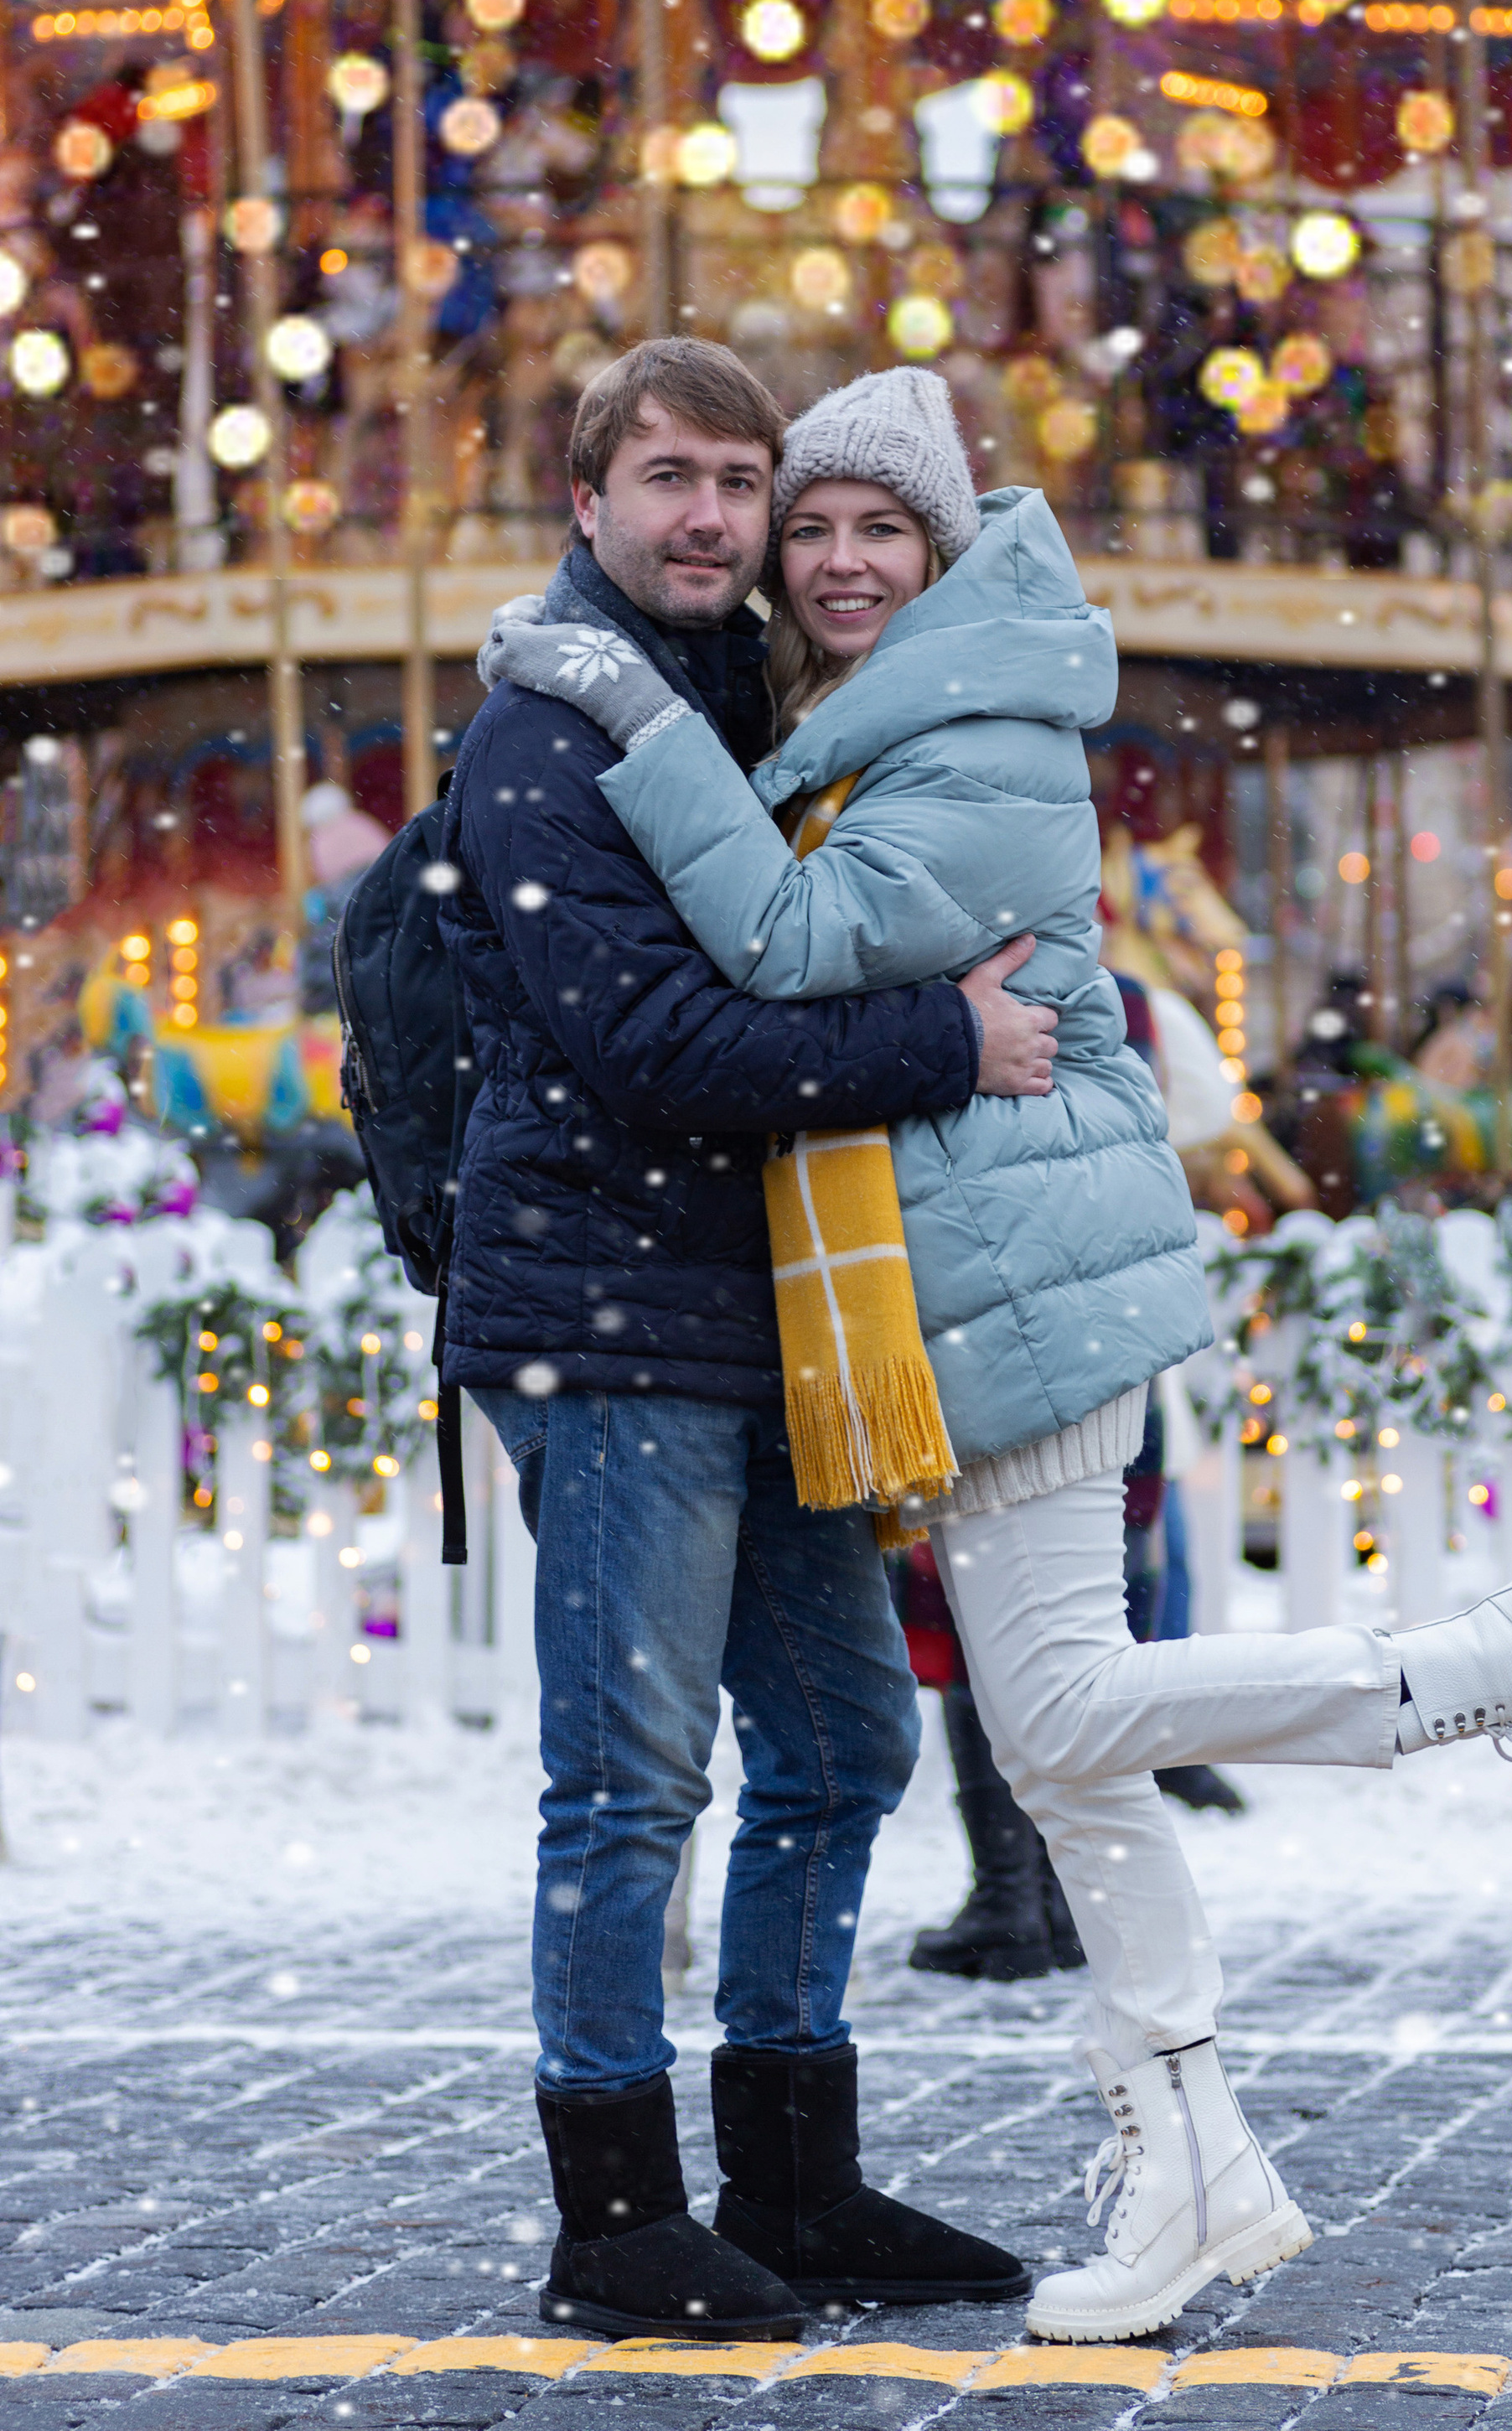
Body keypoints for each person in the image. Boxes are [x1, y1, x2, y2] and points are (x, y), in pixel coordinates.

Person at [481, 365, 1512, 2347]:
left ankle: (1483, 1667)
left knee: (1040, 1721)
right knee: (1011, 1760)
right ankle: (1159, 2159)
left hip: (1001, 1286)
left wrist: (658, 735)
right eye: (803, 523)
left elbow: (792, 951)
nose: (821, 553)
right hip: (855, 1297)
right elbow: (676, 1019)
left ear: (948, 544)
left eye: (861, 521)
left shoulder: (945, 723)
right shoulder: (763, 717)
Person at [439, 339, 1057, 2346]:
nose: (710, 518)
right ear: (590, 498)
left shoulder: (740, 692)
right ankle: (613, 2207)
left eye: (737, 482)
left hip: (755, 1311)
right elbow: (650, 1042)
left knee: (848, 1736)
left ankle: (791, 2171)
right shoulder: (553, 729)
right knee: (625, 1778)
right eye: (671, 480)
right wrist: (937, 1040)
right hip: (609, 1322)